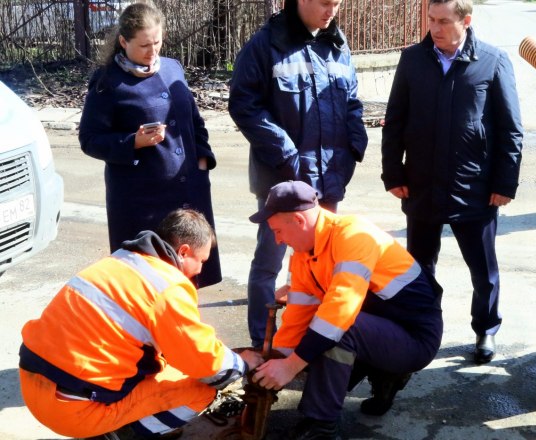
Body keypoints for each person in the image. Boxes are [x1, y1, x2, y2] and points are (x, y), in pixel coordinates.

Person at [18, 209, 264, 439]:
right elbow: (204, 362)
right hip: (74, 411)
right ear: (184, 251)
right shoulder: (168, 286)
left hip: (34, 387)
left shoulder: (120, 261)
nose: (200, 269)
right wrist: (242, 363)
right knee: (201, 390)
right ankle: (125, 433)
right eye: (201, 260)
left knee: (165, 364)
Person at [380, 0, 523, 364]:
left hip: (473, 187)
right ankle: (422, 326)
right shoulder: (413, 60)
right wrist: (393, 174)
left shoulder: (491, 61)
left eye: (444, 21)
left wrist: (505, 183)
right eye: (431, 20)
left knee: (483, 270)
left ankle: (485, 329)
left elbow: (510, 129)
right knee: (419, 267)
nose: (435, 28)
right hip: (422, 185)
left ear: (466, 21)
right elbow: (395, 121)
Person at [248, 181, 443, 439]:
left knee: (335, 328)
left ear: (298, 220)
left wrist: (290, 367)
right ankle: (386, 375)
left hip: (416, 338)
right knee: (317, 334)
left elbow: (340, 311)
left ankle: (322, 426)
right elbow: (297, 318)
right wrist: (273, 360)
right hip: (381, 330)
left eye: (277, 231)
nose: (277, 240)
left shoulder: (354, 235)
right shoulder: (304, 255)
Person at [228, 0, 368, 350]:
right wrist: (287, 153)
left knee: (321, 267)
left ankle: (309, 340)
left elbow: (351, 100)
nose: (332, 10)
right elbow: (244, 104)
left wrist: (354, 145)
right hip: (284, 181)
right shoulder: (266, 44)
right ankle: (265, 341)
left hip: (330, 178)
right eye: (325, 3)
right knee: (269, 263)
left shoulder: (336, 43)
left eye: (337, 3)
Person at [78, 2, 221, 288]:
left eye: (157, 42)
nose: (152, 51)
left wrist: (202, 162)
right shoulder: (108, 82)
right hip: (141, 202)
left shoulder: (171, 69)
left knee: (189, 274)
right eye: (143, 45)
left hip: (188, 193)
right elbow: (90, 139)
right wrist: (133, 142)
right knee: (148, 283)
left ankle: (184, 330)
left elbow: (195, 121)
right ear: (123, 41)